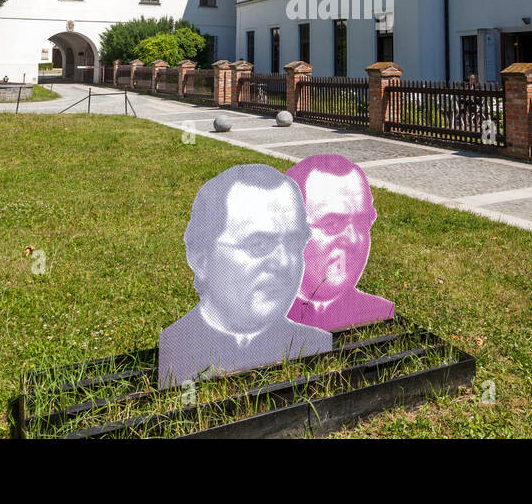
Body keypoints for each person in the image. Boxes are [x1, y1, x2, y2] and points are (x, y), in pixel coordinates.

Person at [157, 165, 332, 387]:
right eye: (259, 244)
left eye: (295, 244)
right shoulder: (175, 349)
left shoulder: (317, 344)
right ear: (200, 258)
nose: (285, 263)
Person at [286, 155, 395, 332]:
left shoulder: (380, 311)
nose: (353, 240)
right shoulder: (255, 323)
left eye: (362, 222)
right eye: (332, 224)